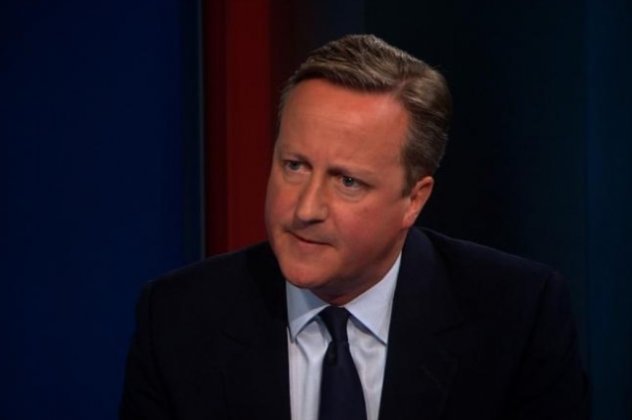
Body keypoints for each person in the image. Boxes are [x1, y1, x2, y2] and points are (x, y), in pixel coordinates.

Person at [120, 34, 588, 420]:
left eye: (347, 181)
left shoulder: (516, 317)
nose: (306, 208)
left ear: (414, 199)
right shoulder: (179, 319)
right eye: (295, 165)